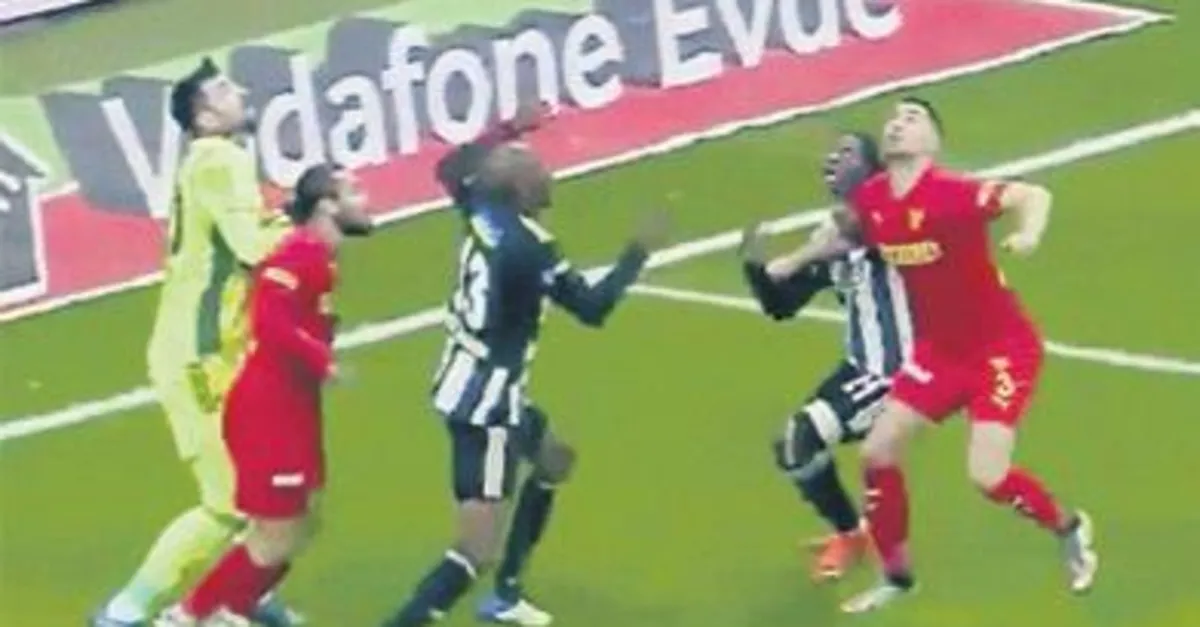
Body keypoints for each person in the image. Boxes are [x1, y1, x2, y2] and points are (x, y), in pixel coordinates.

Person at [774, 97, 1099, 614]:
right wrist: (795, 260)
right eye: (894, 117)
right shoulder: (875, 198)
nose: (897, 124)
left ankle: (1069, 527)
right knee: (878, 452)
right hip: (940, 353)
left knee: (987, 476)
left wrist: (1028, 233)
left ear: (933, 141)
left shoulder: (952, 195)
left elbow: (1033, 194)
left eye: (912, 118)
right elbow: (850, 233)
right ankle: (897, 577)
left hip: (1000, 350)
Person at [381, 109, 671, 627]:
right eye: (535, 167)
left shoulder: (481, 208)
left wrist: (508, 128)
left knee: (555, 458)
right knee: (474, 551)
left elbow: (450, 167)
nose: (547, 171)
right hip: (487, 410)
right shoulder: (530, 248)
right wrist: (637, 253)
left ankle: (508, 593)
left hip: (468, 382)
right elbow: (592, 308)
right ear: (519, 190)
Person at [94, 57, 300, 627]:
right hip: (197, 358)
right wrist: (306, 221)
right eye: (225, 90)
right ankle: (125, 611)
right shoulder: (220, 160)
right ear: (205, 117)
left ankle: (242, 592)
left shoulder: (211, 161)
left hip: (217, 352)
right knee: (229, 501)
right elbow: (254, 248)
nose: (240, 92)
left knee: (268, 485)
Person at [155, 163, 371, 626]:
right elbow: (269, 322)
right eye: (354, 192)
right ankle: (189, 616)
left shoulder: (320, 257)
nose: (365, 200)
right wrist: (323, 360)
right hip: (269, 412)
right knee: (276, 533)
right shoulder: (298, 255)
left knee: (303, 520)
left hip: (294, 408)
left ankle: (234, 606)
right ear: (327, 205)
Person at [740, 132, 910, 581]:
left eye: (848, 151)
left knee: (799, 437)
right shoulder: (830, 230)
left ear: (872, 167)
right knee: (791, 447)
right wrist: (755, 266)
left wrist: (797, 257)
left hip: (895, 373)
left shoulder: (890, 211)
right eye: (833, 151)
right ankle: (851, 532)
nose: (834, 158)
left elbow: (860, 234)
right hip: (859, 368)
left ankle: (854, 536)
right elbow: (781, 305)